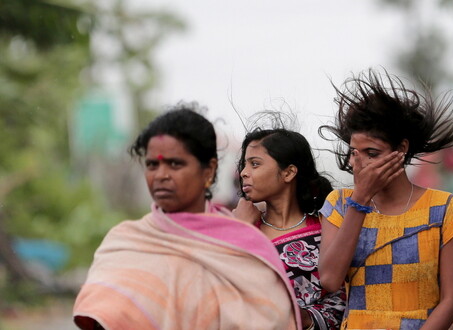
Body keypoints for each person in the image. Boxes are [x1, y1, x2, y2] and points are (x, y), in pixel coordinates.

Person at [72, 105, 300, 330]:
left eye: (175, 163)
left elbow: (272, 319)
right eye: (152, 164)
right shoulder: (125, 243)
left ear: (209, 170)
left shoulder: (245, 246)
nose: (161, 175)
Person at [317, 68, 453, 330]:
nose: (360, 163)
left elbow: (452, 301)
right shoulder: (340, 204)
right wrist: (361, 199)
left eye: (372, 153)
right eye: (355, 152)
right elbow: (330, 279)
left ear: (401, 149)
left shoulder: (445, 210)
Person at [233, 128, 346, 330]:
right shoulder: (242, 230)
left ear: (288, 172)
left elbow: (341, 303)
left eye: (255, 164)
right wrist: (240, 231)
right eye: (244, 164)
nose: (244, 172)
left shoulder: (326, 229)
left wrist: (302, 317)